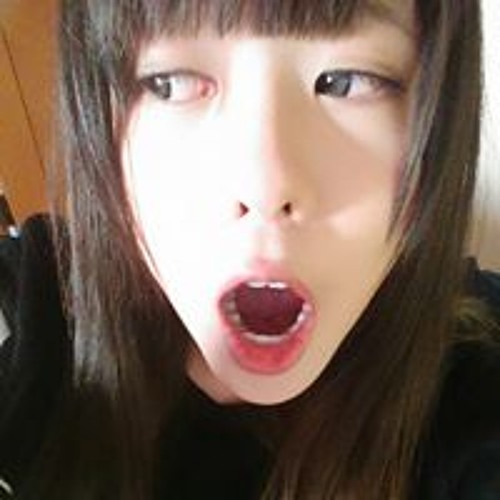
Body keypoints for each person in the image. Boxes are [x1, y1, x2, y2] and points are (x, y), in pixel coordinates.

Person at [0, 0, 499, 498]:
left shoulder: (473, 387)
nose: (264, 188)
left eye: (345, 81)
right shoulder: (33, 318)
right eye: (170, 83)